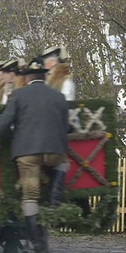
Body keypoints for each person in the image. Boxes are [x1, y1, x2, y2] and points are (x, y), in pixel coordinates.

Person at [0, 58, 69, 253]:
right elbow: (66, 126)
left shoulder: (18, 95)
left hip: (27, 153)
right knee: (63, 163)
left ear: (28, 76)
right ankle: (56, 194)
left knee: (30, 195)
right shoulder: (59, 96)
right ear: (45, 76)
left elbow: (5, 121)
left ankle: (36, 239)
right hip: (54, 151)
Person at [43, 45, 75, 206]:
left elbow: (66, 103)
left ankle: (55, 196)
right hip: (52, 122)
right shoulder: (49, 80)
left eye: (46, 62)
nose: (44, 65)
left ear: (53, 63)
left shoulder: (65, 81)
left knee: (60, 156)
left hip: (65, 123)